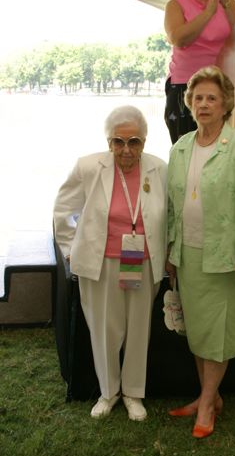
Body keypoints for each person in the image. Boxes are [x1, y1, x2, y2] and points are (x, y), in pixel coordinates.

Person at [166, 65, 235, 439]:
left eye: (212, 97)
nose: (203, 103)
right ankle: (209, 395)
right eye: (197, 98)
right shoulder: (181, 147)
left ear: (226, 104)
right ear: (189, 103)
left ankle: (207, 403)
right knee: (198, 331)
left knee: (219, 333)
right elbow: (174, 205)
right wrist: (170, 252)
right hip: (188, 255)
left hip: (226, 258)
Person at [53, 105, 167, 421]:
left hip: (142, 261)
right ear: (108, 142)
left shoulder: (159, 169)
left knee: (138, 328)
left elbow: (168, 215)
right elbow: (63, 209)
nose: (126, 150)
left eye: (135, 142)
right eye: (119, 141)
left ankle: (133, 394)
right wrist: (69, 249)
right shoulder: (89, 167)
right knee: (105, 329)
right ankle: (108, 392)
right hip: (102, 263)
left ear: (145, 141)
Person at [164, 0, 235, 144]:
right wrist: (209, 12)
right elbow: (178, 39)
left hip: (221, 86)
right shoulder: (176, 4)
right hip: (185, 86)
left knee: (222, 149)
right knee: (187, 148)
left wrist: (226, 4)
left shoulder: (229, 3)